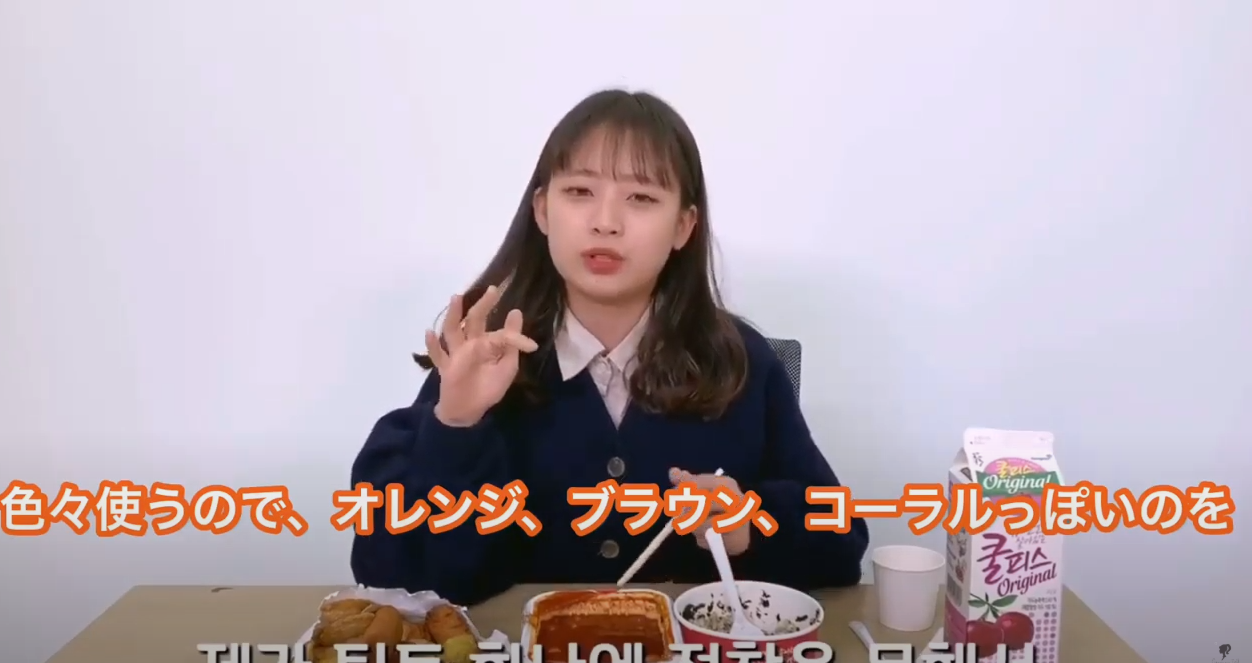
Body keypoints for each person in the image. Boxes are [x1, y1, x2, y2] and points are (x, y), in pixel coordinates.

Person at [350, 89, 868, 606]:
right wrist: (455, 425)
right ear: (542, 211)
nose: (606, 221)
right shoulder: (483, 355)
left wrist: (747, 526)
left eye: (641, 198)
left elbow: (841, 544)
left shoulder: (742, 362)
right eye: (579, 191)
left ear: (683, 226)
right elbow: (394, 576)